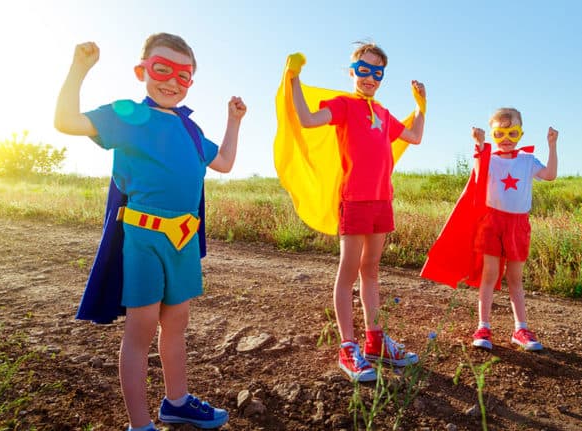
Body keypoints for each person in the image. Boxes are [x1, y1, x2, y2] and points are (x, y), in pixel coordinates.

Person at [54, 33, 245, 430]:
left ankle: (177, 401)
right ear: (141, 71)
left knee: (176, 324)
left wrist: (234, 121)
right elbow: (65, 121)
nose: (172, 81)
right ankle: (139, 424)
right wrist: (78, 69)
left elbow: (224, 162)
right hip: (143, 239)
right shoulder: (127, 116)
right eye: (162, 69)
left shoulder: (190, 129)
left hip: (184, 239)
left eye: (183, 75)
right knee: (140, 330)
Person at [286, 42, 426, 382]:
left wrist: (421, 107)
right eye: (364, 70)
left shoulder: (384, 113)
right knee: (348, 273)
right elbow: (307, 119)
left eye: (377, 72)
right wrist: (293, 79)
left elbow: (415, 137)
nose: (370, 77)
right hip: (354, 200)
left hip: (382, 201)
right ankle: (348, 347)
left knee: (371, 271)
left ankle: (375, 341)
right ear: (352, 72)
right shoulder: (344, 105)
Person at [468, 108, 558, 351]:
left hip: (518, 225)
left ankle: (521, 329)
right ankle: (483, 326)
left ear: (521, 133)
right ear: (493, 134)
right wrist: (479, 146)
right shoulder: (489, 158)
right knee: (490, 274)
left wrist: (552, 145)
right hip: (492, 222)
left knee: (515, 278)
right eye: (499, 133)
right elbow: (478, 177)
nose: (506, 138)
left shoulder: (528, 160)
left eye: (512, 132)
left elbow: (550, 175)